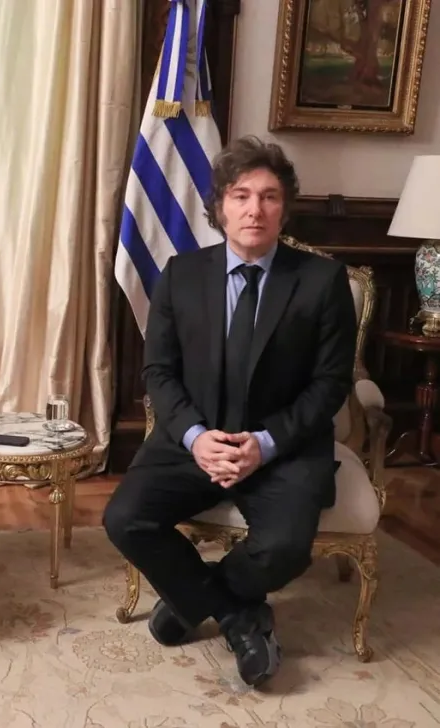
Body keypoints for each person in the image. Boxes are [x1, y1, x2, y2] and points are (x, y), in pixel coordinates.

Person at [103, 136, 357, 688]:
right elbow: (159, 373)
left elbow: (330, 385)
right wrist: (196, 437)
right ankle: (240, 616)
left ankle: (193, 600)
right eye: (241, 195)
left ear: (285, 207)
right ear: (219, 206)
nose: (254, 209)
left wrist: (263, 445)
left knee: (287, 548)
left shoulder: (322, 281)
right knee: (123, 519)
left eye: (269, 196)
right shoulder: (180, 275)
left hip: (283, 448)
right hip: (195, 441)